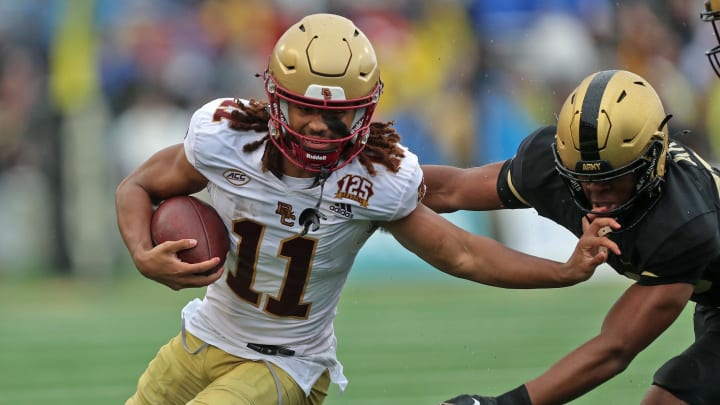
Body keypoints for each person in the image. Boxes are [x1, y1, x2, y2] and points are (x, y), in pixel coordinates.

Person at [115, 13, 619, 405]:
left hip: (286, 364)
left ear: (366, 111)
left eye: (337, 116)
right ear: (274, 100)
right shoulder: (224, 137)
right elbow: (137, 185)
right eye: (304, 108)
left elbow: (461, 253)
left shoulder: (375, 179)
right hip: (204, 335)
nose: (316, 126)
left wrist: (562, 271)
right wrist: (141, 252)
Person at [426, 69, 720, 404]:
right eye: (581, 178)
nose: (595, 191)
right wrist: (370, 179)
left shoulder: (685, 223)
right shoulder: (552, 169)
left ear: (651, 163)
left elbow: (616, 347)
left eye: (612, 178)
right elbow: (449, 190)